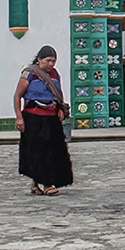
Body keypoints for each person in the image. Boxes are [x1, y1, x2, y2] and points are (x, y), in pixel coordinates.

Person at [14, 45, 73, 196]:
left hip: (51, 118)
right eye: (48, 60)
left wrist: (60, 109)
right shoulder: (29, 74)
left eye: (53, 61)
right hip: (34, 118)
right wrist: (19, 118)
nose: (51, 64)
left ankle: (35, 184)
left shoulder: (55, 74)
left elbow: (58, 94)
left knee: (53, 150)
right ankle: (47, 184)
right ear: (39, 60)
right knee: (39, 151)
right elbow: (17, 96)